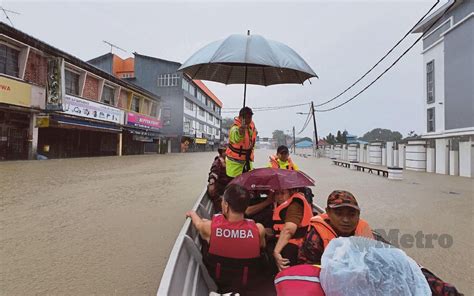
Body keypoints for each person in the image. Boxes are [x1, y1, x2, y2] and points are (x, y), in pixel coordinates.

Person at [186, 184, 266, 294]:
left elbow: (198, 224)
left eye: (223, 201)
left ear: (226, 206)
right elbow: (262, 248)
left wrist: (192, 214)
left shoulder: (210, 228)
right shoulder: (259, 229)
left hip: (221, 282)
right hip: (248, 281)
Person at [298, 190, 373, 265]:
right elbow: (311, 268)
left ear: (358, 214)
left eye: (352, 214)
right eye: (339, 214)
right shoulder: (315, 237)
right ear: (328, 212)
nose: (346, 220)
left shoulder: (364, 229)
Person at [272, 188, 313, 271]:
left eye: (282, 193)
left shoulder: (295, 205)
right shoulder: (282, 205)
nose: (279, 197)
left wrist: (276, 252)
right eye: (277, 194)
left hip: (296, 245)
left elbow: (289, 230)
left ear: (291, 193)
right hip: (287, 240)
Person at [226, 107, 257, 178]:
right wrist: (240, 132)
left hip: (247, 162)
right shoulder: (235, 128)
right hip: (235, 165)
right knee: (235, 186)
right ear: (240, 117)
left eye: (250, 117)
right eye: (247, 118)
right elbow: (235, 137)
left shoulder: (251, 127)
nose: (249, 120)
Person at [207, 144, 232, 212]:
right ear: (221, 152)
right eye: (226, 151)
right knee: (212, 191)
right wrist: (212, 183)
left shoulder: (229, 161)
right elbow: (213, 173)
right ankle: (221, 211)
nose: (228, 153)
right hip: (221, 187)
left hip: (228, 186)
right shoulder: (217, 162)